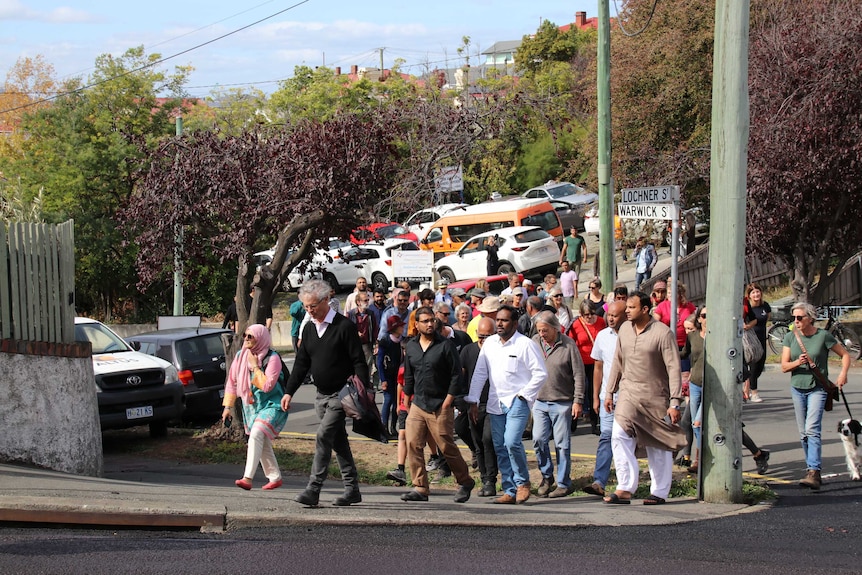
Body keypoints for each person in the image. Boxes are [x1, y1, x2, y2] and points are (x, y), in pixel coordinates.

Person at [281, 279, 369, 507]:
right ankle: (352, 490)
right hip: (321, 395)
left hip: (342, 395)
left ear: (326, 300)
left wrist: (363, 391)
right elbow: (301, 364)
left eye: (313, 306)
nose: (310, 311)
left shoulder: (344, 327)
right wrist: (289, 391)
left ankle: (313, 489)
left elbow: (359, 361)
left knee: (323, 436)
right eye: (306, 307)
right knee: (338, 441)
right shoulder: (309, 328)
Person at [603, 291, 686, 505]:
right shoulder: (624, 329)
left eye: (631, 308)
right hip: (628, 393)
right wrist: (609, 392)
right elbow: (617, 361)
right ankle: (625, 488)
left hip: (655, 396)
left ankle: (659, 492)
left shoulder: (662, 333)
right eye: (627, 308)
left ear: (645, 309)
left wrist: (675, 401)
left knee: (657, 444)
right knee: (619, 435)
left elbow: (673, 368)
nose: (627, 311)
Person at [467, 305, 548, 505]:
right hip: (496, 402)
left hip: (517, 401)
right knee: (500, 446)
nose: (499, 324)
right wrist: (473, 399)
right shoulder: (490, 344)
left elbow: (541, 373)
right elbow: (480, 373)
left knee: (512, 441)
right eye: (498, 320)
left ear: (514, 323)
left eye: (504, 320)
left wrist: (524, 395)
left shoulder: (525, 344)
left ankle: (523, 483)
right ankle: (509, 489)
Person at [400, 307, 475, 503]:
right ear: (417, 325)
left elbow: (456, 375)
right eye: (425, 321)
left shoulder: (445, 346)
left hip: (441, 404)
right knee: (413, 444)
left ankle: (465, 481)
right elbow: (409, 374)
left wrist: (449, 400)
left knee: (445, 445)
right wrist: (406, 400)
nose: (430, 324)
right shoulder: (412, 346)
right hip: (418, 404)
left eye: (432, 320)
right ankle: (420, 487)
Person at [781, 302, 851, 490]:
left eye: (799, 318)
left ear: (810, 318)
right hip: (797, 387)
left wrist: (842, 374)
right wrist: (797, 362)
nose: (796, 321)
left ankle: (814, 471)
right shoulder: (790, 337)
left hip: (818, 388)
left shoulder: (823, 337)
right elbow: (784, 366)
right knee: (803, 433)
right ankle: (810, 468)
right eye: (793, 318)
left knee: (812, 429)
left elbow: (845, 355)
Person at [222, 324, 288, 491]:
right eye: (245, 335)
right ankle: (275, 477)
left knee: (257, 434)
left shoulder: (272, 358)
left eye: (250, 336)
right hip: (251, 407)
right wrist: (227, 407)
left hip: (272, 405)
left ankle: (247, 478)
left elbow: (267, 386)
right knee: (261, 439)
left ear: (261, 338)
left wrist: (255, 367)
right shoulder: (240, 356)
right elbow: (232, 382)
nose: (246, 339)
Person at [531, 311, 585, 498]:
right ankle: (547, 477)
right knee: (538, 440)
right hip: (539, 401)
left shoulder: (568, 345)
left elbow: (579, 374)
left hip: (562, 402)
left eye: (545, 330)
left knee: (562, 444)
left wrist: (578, 400)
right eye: (539, 330)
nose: (542, 334)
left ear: (555, 328)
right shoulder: (535, 342)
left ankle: (564, 483)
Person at [583, 300, 625, 498]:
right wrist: (595, 397)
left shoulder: (632, 336)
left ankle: (627, 484)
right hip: (607, 397)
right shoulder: (602, 335)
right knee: (606, 437)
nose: (610, 318)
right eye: (609, 315)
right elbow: (598, 367)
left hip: (629, 398)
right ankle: (599, 481)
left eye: (615, 315)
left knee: (628, 440)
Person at [459, 317, 499, 497]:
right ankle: (485, 478)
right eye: (481, 337)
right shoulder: (468, 351)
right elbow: (461, 376)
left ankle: (491, 479)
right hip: (474, 404)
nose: (484, 341)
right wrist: (463, 401)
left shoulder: (500, 351)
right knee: (478, 443)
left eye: (488, 337)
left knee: (488, 440)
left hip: (494, 403)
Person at [568, 300, 607, 435]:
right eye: (586, 315)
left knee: (593, 392)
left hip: (596, 362)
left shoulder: (601, 322)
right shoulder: (576, 325)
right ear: (581, 314)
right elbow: (571, 343)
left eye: (591, 314)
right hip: (580, 362)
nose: (590, 317)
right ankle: (572, 422)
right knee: (579, 391)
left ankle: (594, 423)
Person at [680, 305, 707, 473]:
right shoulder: (693, 337)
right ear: (699, 319)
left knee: (697, 423)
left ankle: (702, 456)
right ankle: (699, 458)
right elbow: (684, 353)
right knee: (693, 423)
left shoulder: (718, 336)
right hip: (695, 383)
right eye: (703, 315)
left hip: (712, 385)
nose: (706, 319)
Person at [377, 315, 405, 438]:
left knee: (396, 401)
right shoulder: (385, 341)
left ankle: (393, 427)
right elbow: (379, 361)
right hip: (388, 375)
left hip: (397, 375)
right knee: (388, 400)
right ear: (394, 328)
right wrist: (382, 379)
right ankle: (383, 427)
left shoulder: (402, 341)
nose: (402, 328)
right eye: (400, 326)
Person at [743, 283, 771, 403]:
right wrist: (747, 326)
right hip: (751, 340)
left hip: (762, 338)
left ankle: (747, 384)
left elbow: (767, 318)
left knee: (760, 366)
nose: (756, 294)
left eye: (757, 291)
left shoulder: (765, 306)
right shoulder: (748, 307)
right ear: (749, 295)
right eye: (753, 292)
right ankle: (754, 392)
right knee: (754, 366)